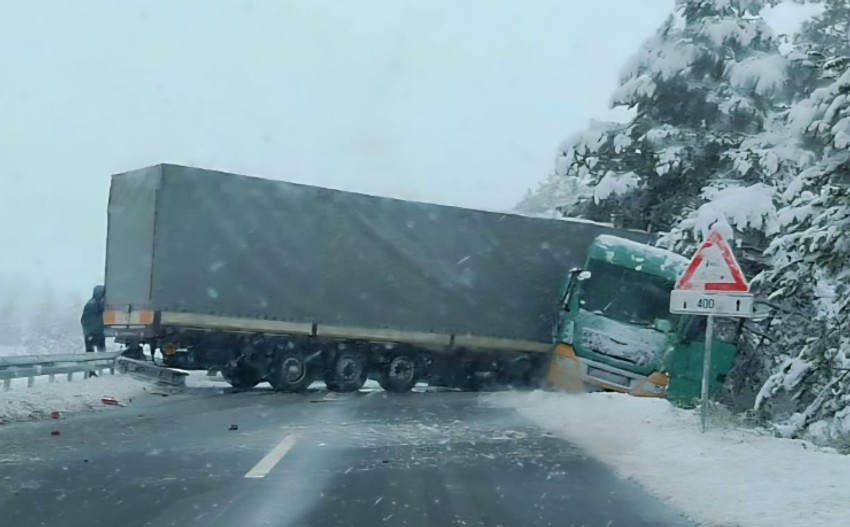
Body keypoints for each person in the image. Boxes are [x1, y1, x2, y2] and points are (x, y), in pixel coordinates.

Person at [81, 284, 106, 353]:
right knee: (96, 351)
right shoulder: (93, 304)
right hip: (93, 332)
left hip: (93, 332)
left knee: (94, 351)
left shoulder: (94, 302)